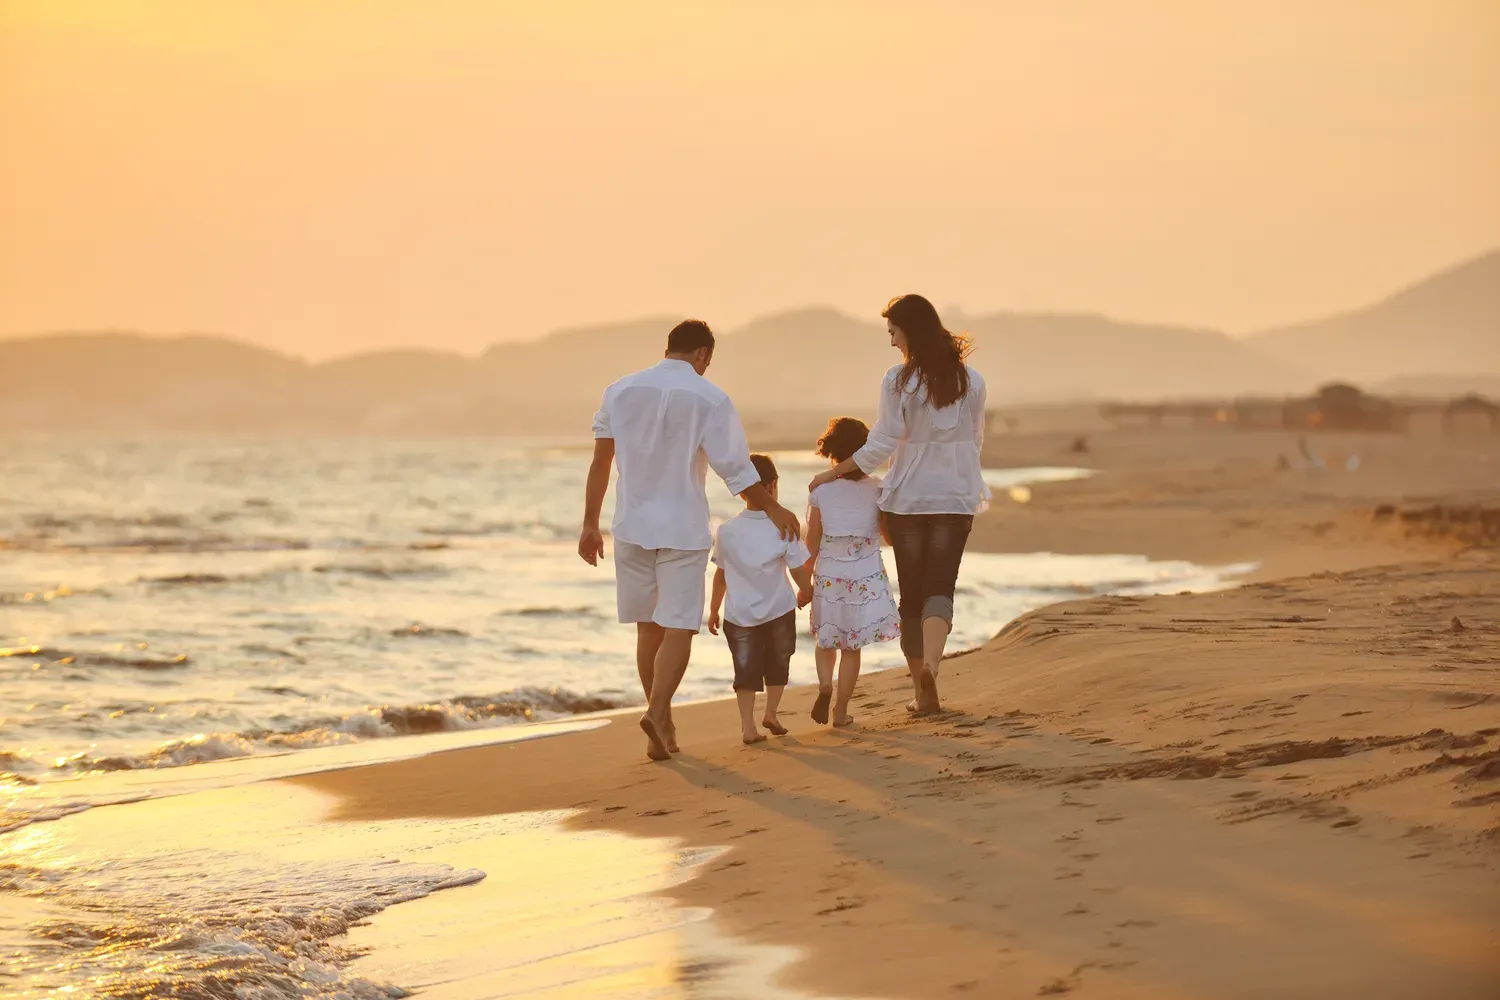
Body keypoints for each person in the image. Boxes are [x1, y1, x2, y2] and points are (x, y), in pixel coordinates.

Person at [580, 320, 801, 761]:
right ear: (703, 354)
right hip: (682, 528)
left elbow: (601, 462)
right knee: (680, 625)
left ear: (669, 348)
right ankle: (658, 710)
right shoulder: (711, 398)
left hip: (630, 525)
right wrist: (773, 507)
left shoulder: (619, 391)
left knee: (648, 627)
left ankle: (658, 725)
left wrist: (589, 524)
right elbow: (736, 469)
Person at [809, 295, 987, 716]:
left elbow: (881, 445)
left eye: (893, 332)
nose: (891, 342)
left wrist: (831, 474)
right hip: (955, 499)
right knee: (940, 589)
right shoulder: (973, 381)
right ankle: (931, 667)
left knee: (912, 595)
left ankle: (923, 692)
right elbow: (976, 441)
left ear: (910, 330)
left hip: (907, 500)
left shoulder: (897, 380)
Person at [706, 454, 814, 744]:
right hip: (779, 609)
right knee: (779, 662)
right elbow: (797, 571)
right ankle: (771, 713)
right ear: (774, 486)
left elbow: (720, 575)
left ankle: (748, 727)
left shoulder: (726, 530)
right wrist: (809, 593)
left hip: (739, 614)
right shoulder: (785, 524)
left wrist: (714, 609)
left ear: (741, 491)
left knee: (745, 670)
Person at [804, 417, 900, 728]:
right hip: (865, 575)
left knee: (826, 639)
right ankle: (841, 712)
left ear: (831, 451)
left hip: (830, 572)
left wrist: (804, 582)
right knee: (851, 646)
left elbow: (812, 542)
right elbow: (888, 535)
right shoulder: (877, 489)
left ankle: (824, 686)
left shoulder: (821, 491)